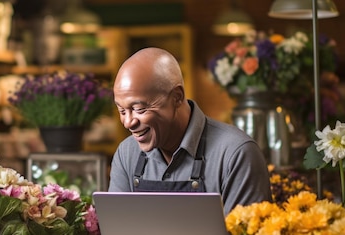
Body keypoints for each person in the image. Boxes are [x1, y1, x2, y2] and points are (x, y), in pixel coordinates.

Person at [108, 47, 272, 215]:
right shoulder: (127, 153)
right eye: (121, 111)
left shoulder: (236, 154)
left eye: (139, 109)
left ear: (177, 97)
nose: (128, 122)